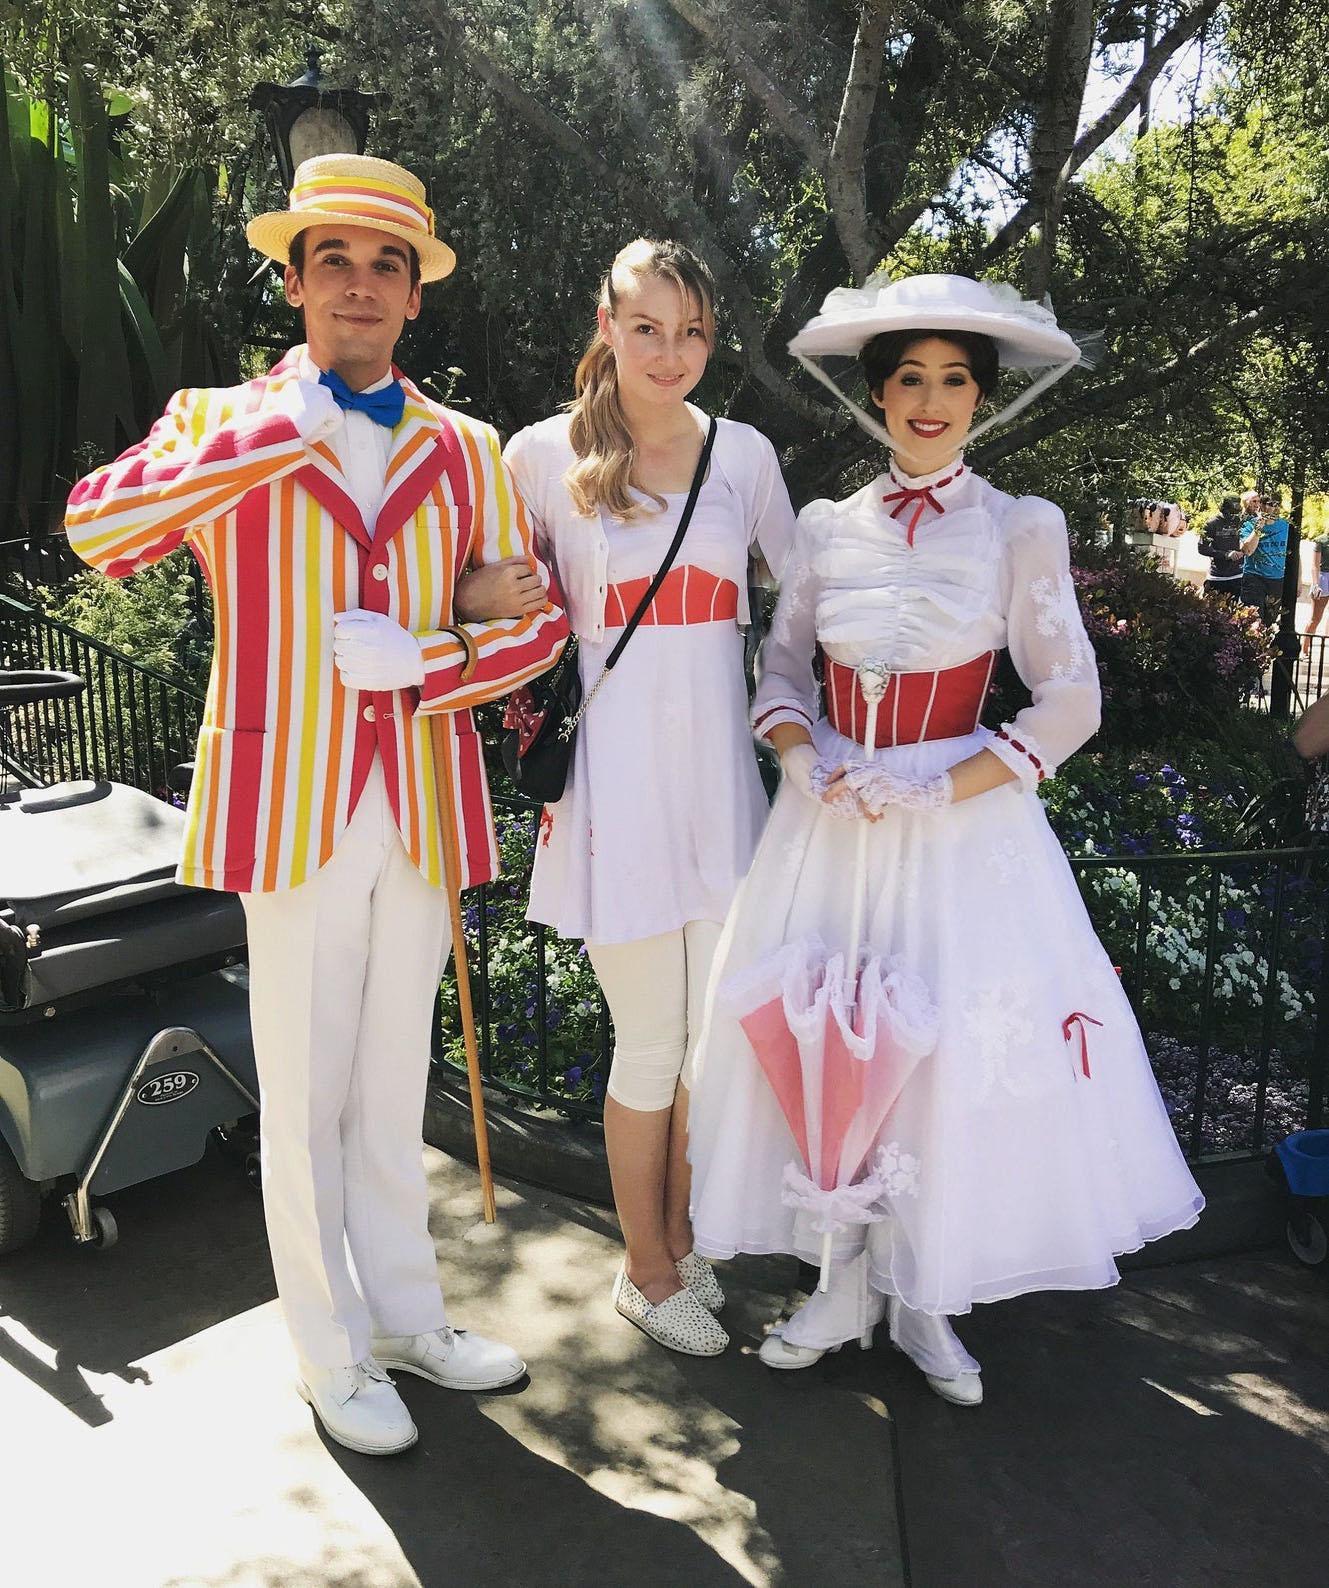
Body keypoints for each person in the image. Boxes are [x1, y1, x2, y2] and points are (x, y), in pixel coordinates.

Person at [64, 154, 568, 1456]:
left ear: (414, 297)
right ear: (293, 282)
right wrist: (267, 432)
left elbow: (536, 624)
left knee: (391, 1086)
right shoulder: (215, 421)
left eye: (385, 264)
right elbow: (97, 530)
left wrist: (436, 658)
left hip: (418, 805)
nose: (358, 284)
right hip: (286, 805)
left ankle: (406, 1317)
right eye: (332, 259)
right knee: (301, 1096)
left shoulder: (466, 452)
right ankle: (328, 1350)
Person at [688, 272, 1204, 1405]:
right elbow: (780, 669)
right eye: (909, 378)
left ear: (980, 398)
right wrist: (800, 756)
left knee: (937, 1049)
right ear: (876, 396)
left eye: (954, 380)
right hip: (829, 820)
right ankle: (839, 1279)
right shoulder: (826, 529)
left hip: (958, 824)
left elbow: (1070, 698)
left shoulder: (1020, 528)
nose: (930, 401)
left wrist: (944, 788)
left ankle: (926, 1295)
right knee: (827, 1040)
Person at [463, 239, 795, 1355]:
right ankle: (646, 1271)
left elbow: (799, 611)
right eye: (646, 326)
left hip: (721, 789)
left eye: (691, 331)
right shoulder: (537, 454)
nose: (670, 352)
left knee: (711, 1044)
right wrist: (482, 589)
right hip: (615, 794)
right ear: (605, 323)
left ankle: (686, 1235)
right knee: (649, 1041)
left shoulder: (744, 455)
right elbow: (465, 594)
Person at [1241, 491, 1290, 623]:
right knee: (1252, 620)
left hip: (1276, 579)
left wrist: (1298, 580)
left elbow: (1293, 554)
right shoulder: (1249, 525)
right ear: (1261, 505)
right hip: (1254, 578)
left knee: (1269, 621)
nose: (1274, 507)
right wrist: (1258, 528)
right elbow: (1248, 550)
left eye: (1276, 504)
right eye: (1270, 504)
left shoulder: (1286, 526)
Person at [1198, 495, 1245, 600]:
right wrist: (1225, 555)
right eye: (1230, 513)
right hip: (1217, 576)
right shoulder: (1211, 524)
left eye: (1235, 514)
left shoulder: (1240, 522)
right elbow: (1202, 548)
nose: (1232, 517)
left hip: (1237, 575)